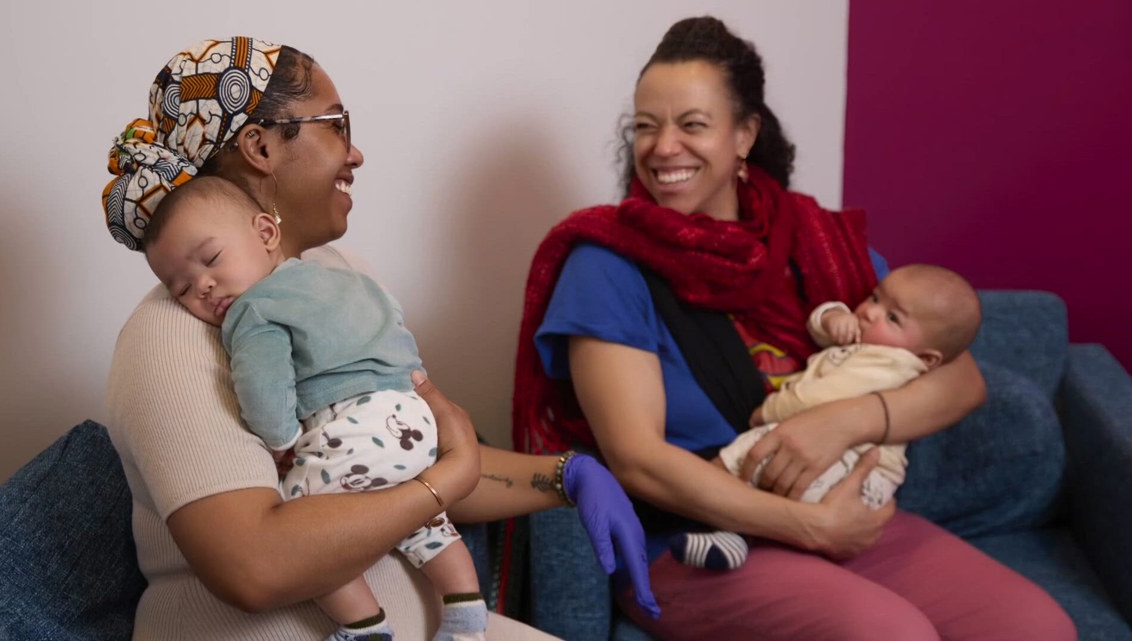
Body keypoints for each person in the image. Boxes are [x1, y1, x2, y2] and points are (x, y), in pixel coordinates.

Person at [512, 16, 1076, 641]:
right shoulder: (607, 265)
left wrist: (841, 422)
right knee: (888, 633)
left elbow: (959, 379)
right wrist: (807, 527)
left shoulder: (810, 240)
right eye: (647, 126)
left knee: (1035, 626)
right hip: (695, 539)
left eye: (692, 123)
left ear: (745, 134)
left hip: (845, 511)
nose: (663, 146)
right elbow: (638, 461)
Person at [101, 37, 658, 641]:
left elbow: (403, 457)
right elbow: (253, 568)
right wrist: (437, 486)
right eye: (337, 124)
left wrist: (566, 476)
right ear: (260, 146)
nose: (356, 151)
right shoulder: (171, 338)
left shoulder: (342, 274)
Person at [142, 176, 487, 641]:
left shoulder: (254, 310)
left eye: (212, 260)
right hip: (413, 420)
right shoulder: (350, 279)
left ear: (266, 234)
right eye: (181, 288)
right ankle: (466, 613)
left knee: (308, 529)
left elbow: (264, 390)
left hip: (353, 427)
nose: (203, 286)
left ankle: (365, 627)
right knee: (424, 521)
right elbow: (399, 333)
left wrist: (281, 441)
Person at [672, 263, 982, 570]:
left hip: (854, 473)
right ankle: (733, 536)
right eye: (875, 298)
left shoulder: (889, 363)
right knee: (764, 470)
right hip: (841, 464)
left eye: (893, 317)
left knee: (749, 452)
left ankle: (718, 524)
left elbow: (819, 400)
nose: (869, 312)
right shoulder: (870, 343)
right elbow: (819, 331)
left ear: (926, 358)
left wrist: (767, 412)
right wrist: (833, 317)